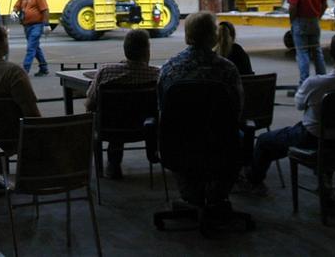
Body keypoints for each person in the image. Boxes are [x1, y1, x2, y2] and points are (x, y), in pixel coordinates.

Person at [247, 31, 335, 192]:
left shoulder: (315, 83)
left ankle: (254, 180)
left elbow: (299, 104)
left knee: (264, 141)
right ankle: (325, 179)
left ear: (332, 55)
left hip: (312, 137)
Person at [157, 12, 243, 208]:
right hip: (220, 143)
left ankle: (192, 196)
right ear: (214, 36)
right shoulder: (227, 69)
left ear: (188, 36)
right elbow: (237, 110)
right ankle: (217, 196)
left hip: (179, 145)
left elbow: (163, 110)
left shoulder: (169, 69)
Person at [84, 29, 160, 180]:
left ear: (125, 50)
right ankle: (153, 152)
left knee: (115, 115)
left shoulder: (105, 72)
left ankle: (112, 165)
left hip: (110, 129)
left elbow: (90, 104)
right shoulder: (156, 74)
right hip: (144, 129)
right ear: (147, 51)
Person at [287, 0, 327, 81]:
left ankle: (304, 82)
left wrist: (292, 21)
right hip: (314, 22)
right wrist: (317, 17)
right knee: (317, 51)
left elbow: (293, 6)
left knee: (302, 53)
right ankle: (323, 79)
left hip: (300, 22)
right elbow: (324, 4)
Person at [12, 0, 50, 76]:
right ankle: (44, 68)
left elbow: (45, 11)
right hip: (27, 26)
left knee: (31, 48)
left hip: (37, 26)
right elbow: (17, 6)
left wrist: (46, 25)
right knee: (35, 47)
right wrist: (14, 12)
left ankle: (25, 70)